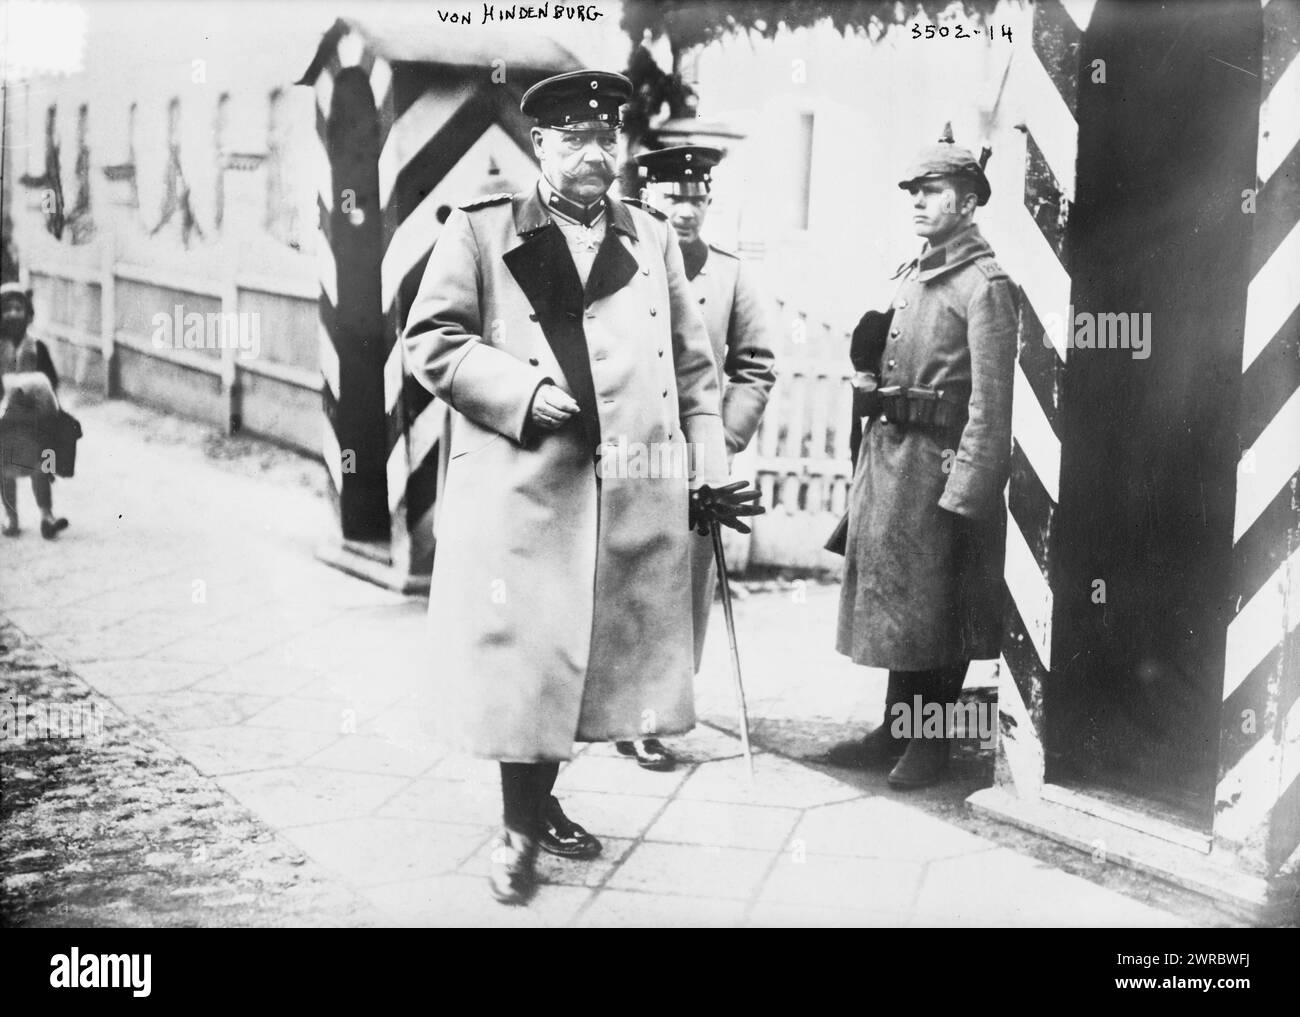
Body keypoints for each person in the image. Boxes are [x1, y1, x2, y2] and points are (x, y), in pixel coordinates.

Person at [400, 70, 759, 905]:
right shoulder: (482, 231)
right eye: (574, 140)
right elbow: (431, 340)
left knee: (588, 664)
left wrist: (708, 471)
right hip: (522, 489)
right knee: (530, 657)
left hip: (629, 488)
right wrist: (521, 391)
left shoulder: (651, 236)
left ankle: (542, 799)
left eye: (608, 139)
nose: (595, 154)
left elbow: (695, 368)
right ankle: (520, 831)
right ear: (540, 147)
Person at [824, 125, 1018, 789]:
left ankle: (931, 744)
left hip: (939, 468)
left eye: (931, 191)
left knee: (938, 613)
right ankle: (894, 729)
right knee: (899, 605)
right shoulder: (914, 272)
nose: (916, 202)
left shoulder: (983, 286)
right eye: (912, 190)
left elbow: (993, 404)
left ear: (967, 202)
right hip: (892, 461)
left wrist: (967, 490)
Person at [613, 144, 777, 771]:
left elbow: (756, 363)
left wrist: (722, 440)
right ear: (647, 198)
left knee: (684, 588)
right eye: (671, 197)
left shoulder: (729, 274)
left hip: (695, 455)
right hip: (627, 450)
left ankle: (653, 716)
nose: (684, 210)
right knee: (623, 576)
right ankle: (611, 704)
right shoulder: (620, 262)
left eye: (695, 198)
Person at [0, 283, 68, 539]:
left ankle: (46, 515)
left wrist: (37, 391)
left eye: (19, 309)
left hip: (34, 420)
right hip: (5, 421)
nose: (13, 314)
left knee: (43, 466)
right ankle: (11, 516)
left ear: (28, 314)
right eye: (7, 309)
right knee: (4, 470)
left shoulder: (38, 348)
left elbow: (52, 381)